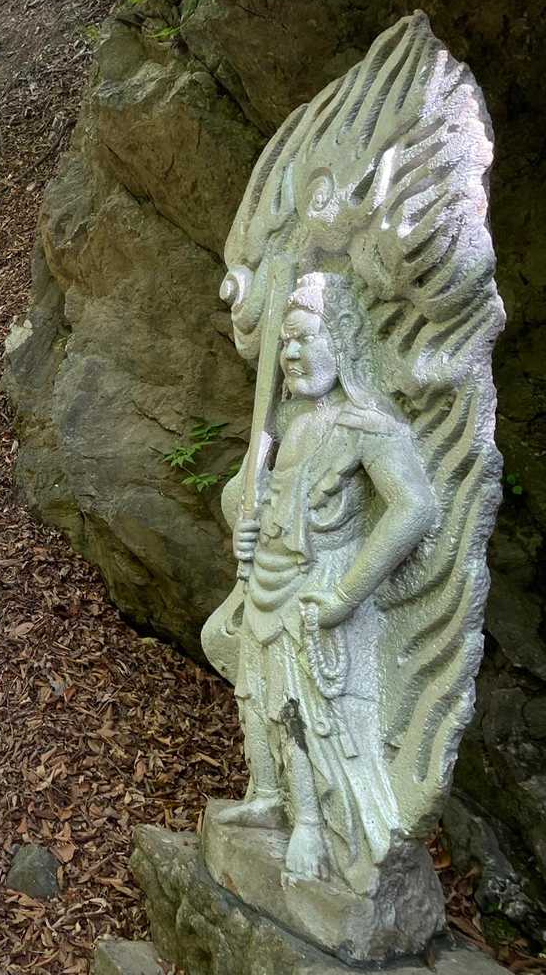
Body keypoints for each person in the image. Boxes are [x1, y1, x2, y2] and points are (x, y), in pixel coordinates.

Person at [215, 272, 435, 890]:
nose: (291, 352)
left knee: (302, 706)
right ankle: (269, 794)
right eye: (285, 340)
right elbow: (251, 497)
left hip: (320, 584)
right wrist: (243, 528)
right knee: (255, 693)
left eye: (305, 337)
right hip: (270, 578)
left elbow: (414, 507)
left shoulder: (366, 425)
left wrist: (345, 595)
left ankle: (312, 824)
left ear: (342, 340)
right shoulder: (289, 420)